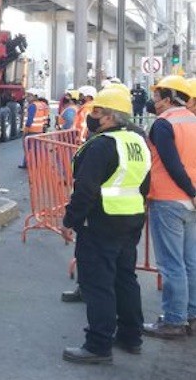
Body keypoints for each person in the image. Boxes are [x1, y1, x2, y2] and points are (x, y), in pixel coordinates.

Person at [60, 87, 151, 364]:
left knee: (97, 284)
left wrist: (70, 221)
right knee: (125, 279)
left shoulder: (101, 144)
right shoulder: (137, 141)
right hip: (131, 219)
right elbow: (144, 184)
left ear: (111, 116)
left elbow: (85, 190)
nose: (91, 116)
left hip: (102, 222)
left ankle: (98, 345)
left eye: (97, 112)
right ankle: (130, 336)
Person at [142, 75, 196, 339]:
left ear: (169, 98)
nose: (155, 104)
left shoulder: (164, 125)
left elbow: (172, 164)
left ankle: (174, 321)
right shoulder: (193, 121)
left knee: (172, 264)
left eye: (157, 99)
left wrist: (190, 191)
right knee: (190, 262)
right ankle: (190, 315)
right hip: (190, 202)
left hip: (169, 199)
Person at [19, 88, 49, 168]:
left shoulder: (32, 106)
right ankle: (36, 164)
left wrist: (25, 130)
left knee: (27, 148)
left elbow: (29, 120)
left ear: (35, 96)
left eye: (29, 96)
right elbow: (46, 118)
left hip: (31, 131)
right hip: (39, 130)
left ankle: (28, 164)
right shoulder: (43, 105)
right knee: (37, 148)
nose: (27, 98)